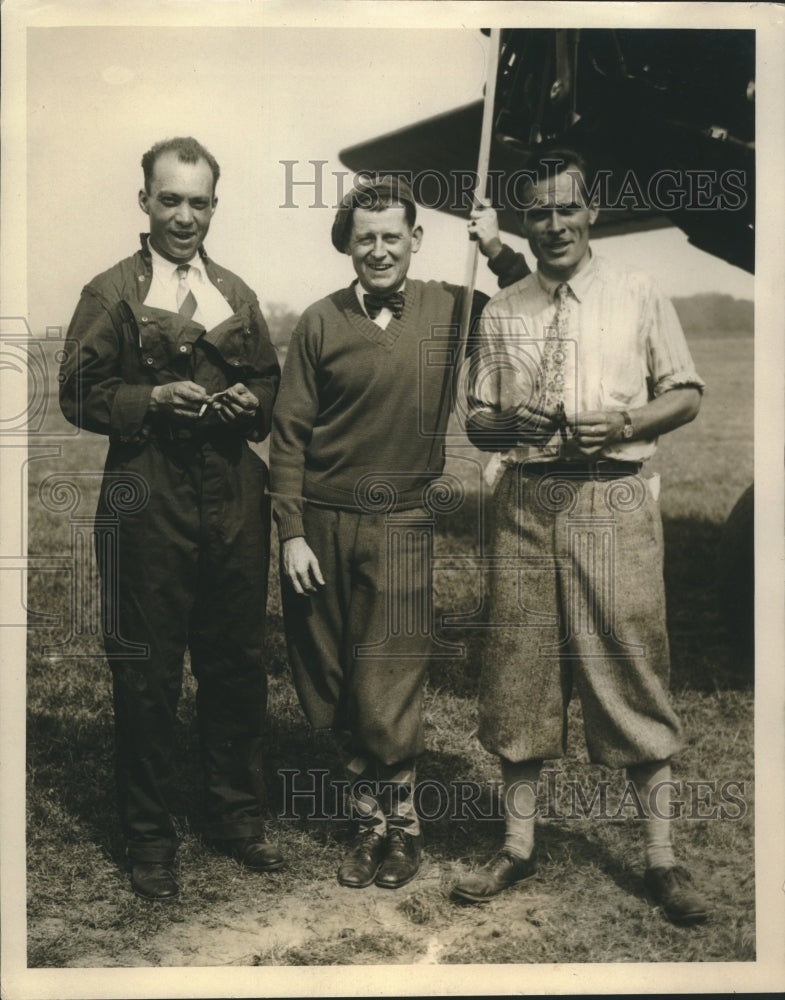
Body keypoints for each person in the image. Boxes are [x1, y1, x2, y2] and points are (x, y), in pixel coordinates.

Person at [451, 146, 709, 925]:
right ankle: (517, 847)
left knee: (630, 669)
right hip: (525, 505)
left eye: (566, 208)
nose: (553, 224)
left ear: (590, 211)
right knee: (518, 673)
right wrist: (504, 423)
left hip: (614, 501)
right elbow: (477, 420)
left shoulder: (634, 291)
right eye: (537, 212)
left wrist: (629, 420)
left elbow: (687, 392)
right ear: (521, 223)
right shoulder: (502, 311)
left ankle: (661, 860)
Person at [269, 174, 527, 890]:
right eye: (365, 239)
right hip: (319, 524)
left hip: (404, 523)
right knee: (334, 683)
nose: (378, 250)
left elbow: (531, 305)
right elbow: (288, 436)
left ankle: (404, 830)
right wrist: (290, 531)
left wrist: (498, 249)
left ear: (415, 240)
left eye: (392, 236)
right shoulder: (319, 322)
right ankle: (364, 824)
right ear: (346, 246)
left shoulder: (453, 305)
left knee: (391, 679)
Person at [59, 137, 282, 900]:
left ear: (214, 207)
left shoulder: (235, 291)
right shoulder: (112, 292)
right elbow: (77, 393)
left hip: (231, 495)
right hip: (145, 495)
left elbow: (268, 384)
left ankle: (235, 818)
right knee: (148, 673)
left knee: (235, 660)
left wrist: (254, 404)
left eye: (199, 202)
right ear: (145, 201)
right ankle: (150, 838)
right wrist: (149, 399)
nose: (185, 216)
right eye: (171, 199)